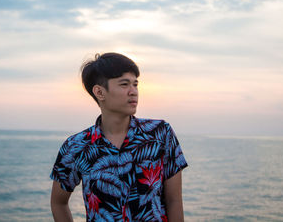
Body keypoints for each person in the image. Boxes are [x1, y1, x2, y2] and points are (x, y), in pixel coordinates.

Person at [50, 52, 188, 221]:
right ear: (100, 92)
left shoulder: (160, 134)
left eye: (135, 84)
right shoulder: (77, 146)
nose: (133, 92)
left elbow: (174, 200)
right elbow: (58, 203)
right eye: (124, 84)